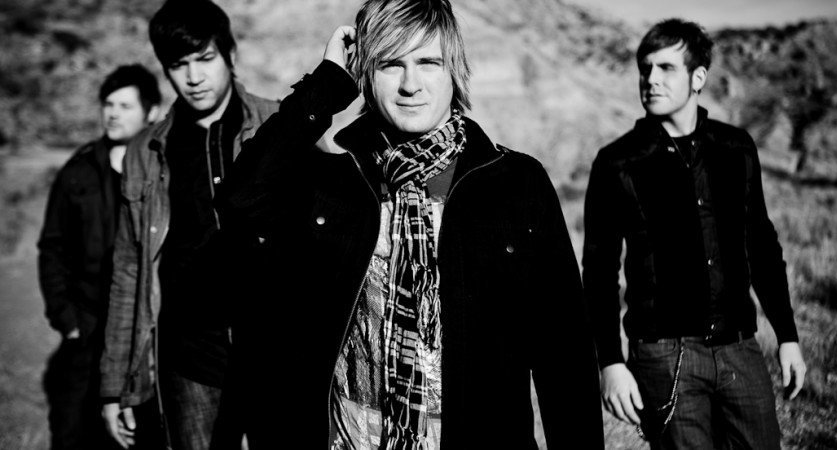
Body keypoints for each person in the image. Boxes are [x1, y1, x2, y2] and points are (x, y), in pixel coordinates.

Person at [218, 0, 604, 447]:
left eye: (428, 63)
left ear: (453, 70)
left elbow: (564, 351)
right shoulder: (333, 180)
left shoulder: (515, 183)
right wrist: (325, 85)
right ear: (365, 75)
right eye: (390, 65)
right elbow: (240, 200)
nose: (410, 85)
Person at [582, 18, 807, 449]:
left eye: (666, 68)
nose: (651, 79)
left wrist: (788, 336)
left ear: (698, 77)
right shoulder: (617, 162)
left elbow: (761, 246)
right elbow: (598, 271)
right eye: (645, 68)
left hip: (740, 348)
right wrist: (610, 362)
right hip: (664, 357)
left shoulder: (735, 148)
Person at [98, 1, 278, 449]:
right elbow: (129, 271)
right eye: (179, 65)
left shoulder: (278, 125)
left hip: (274, 351)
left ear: (230, 55)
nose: (194, 77)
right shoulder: (146, 151)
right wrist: (116, 386)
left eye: (205, 58)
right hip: (191, 359)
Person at [39, 64, 161, 450]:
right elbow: (52, 247)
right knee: (75, 432)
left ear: (151, 112)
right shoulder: (78, 170)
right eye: (108, 104)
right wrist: (67, 320)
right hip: (87, 328)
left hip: (143, 331)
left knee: (141, 434)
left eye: (125, 106)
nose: (113, 113)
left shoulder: (164, 170)